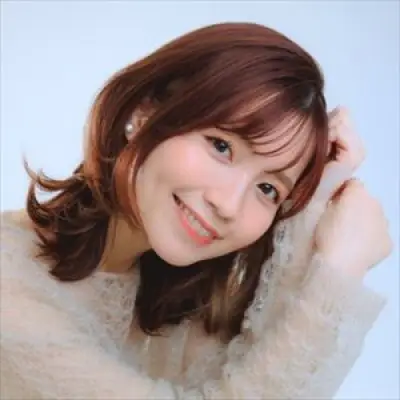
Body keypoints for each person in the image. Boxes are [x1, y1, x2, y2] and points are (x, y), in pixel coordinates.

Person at [0, 22, 392, 399]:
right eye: (222, 147)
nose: (228, 204)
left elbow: (256, 370)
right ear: (144, 112)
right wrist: (338, 274)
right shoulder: (12, 287)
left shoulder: (163, 285)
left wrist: (314, 202)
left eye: (268, 188)